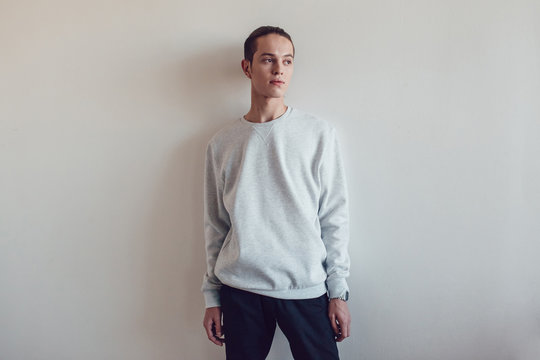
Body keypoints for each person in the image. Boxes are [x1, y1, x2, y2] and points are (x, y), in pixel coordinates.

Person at [201, 25, 351, 360]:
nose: (279, 69)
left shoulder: (318, 134)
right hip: (241, 289)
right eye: (268, 60)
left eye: (287, 61)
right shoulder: (221, 144)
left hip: (305, 286)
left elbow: (334, 216)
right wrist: (212, 296)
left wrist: (338, 291)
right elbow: (216, 225)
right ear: (247, 67)